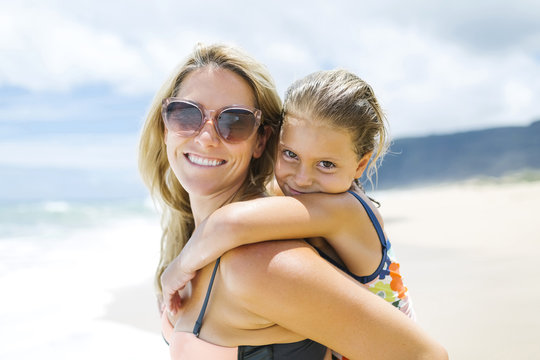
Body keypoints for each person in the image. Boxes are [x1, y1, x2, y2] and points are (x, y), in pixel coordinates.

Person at [139, 43, 447, 360]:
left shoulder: (260, 262)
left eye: (235, 121)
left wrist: (176, 270)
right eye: (186, 114)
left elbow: (425, 356)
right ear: (165, 125)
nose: (206, 137)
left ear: (262, 140)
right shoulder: (199, 239)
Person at [162, 69, 415, 326]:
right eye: (291, 155)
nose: (302, 178)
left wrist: (178, 269)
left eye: (326, 164)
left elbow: (227, 224)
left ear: (360, 165)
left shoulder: (347, 211)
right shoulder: (291, 196)